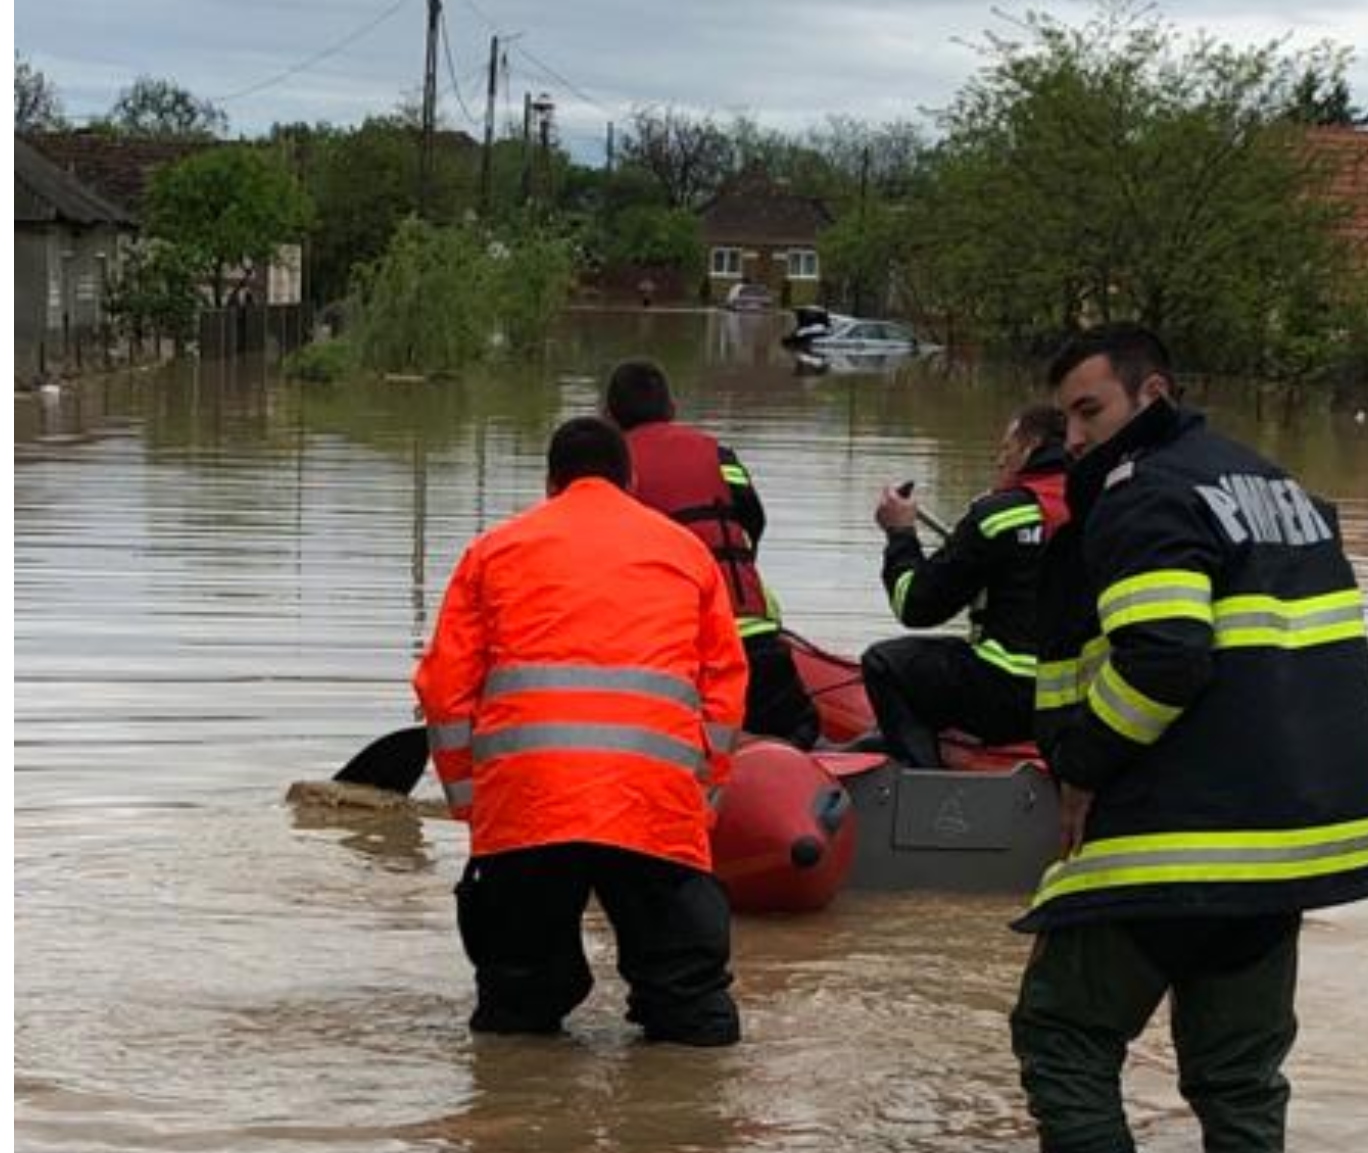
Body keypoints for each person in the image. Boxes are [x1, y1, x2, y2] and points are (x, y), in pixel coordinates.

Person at [1009, 324, 1368, 1153]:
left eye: (1089, 412)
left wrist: (1083, 764)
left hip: (1174, 828)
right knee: (1240, 1074)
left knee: (1064, 1035)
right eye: (1064, 417)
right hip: (1288, 840)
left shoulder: (1145, 494)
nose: (1072, 437)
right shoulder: (1284, 492)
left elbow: (1164, 657)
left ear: (1152, 394)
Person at [413, 416, 748, 1045]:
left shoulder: (493, 551)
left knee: (516, 1006)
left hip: (529, 801)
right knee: (689, 1007)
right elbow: (725, 687)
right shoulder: (686, 553)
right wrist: (700, 796)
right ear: (632, 480)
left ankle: (517, 1098)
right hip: (652, 801)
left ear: (550, 483)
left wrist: (472, 801)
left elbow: (444, 688)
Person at [599, 359, 819, 746]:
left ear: (609, 416)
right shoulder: (717, 454)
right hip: (756, 638)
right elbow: (754, 519)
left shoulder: (610, 469)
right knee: (801, 735)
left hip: (675, 651)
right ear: (672, 408)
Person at [857, 404, 1076, 767]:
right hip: (1082, 699)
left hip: (1012, 696)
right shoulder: (1103, 505)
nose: (999, 460)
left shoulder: (998, 515)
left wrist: (900, 534)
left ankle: (922, 781)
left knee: (885, 663)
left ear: (1031, 446)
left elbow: (916, 606)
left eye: (1006, 448)